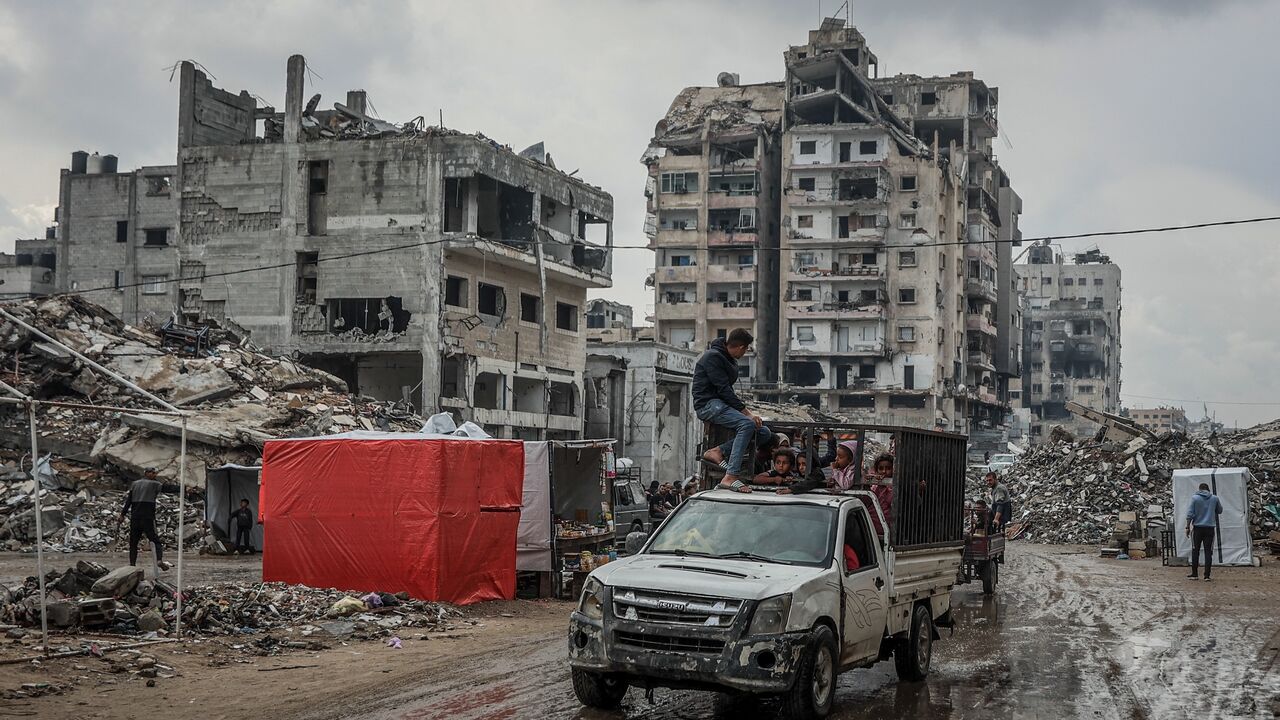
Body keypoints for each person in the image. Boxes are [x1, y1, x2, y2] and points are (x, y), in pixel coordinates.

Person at [694, 328, 773, 492]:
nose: (744, 353)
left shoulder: (726, 358)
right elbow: (724, 389)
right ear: (742, 347)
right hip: (707, 404)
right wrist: (747, 413)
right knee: (747, 424)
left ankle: (717, 451)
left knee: (763, 432)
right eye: (745, 350)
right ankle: (730, 476)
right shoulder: (713, 357)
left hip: (721, 404)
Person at [118, 468, 186, 570]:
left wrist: (122, 515)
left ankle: (132, 564)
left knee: (133, 543)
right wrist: (183, 488)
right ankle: (159, 560)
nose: (155, 475)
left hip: (135, 517)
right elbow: (168, 488)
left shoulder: (134, 484)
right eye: (152, 473)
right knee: (155, 540)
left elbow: (129, 501)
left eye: (155, 473)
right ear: (146, 473)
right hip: (148, 517)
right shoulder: (154, 484)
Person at [1186, 482, 1223, 581]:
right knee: (1208, 552)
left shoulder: (1195, 498)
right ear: (1208, 489)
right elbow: (1220, 510)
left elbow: (1190, 514)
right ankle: (1207, 576)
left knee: (1195, 550)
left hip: (1197, 528)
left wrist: (1187, 527)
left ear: (1199, 489)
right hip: (1210, 528)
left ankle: (1194, 574)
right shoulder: (1215, 498)